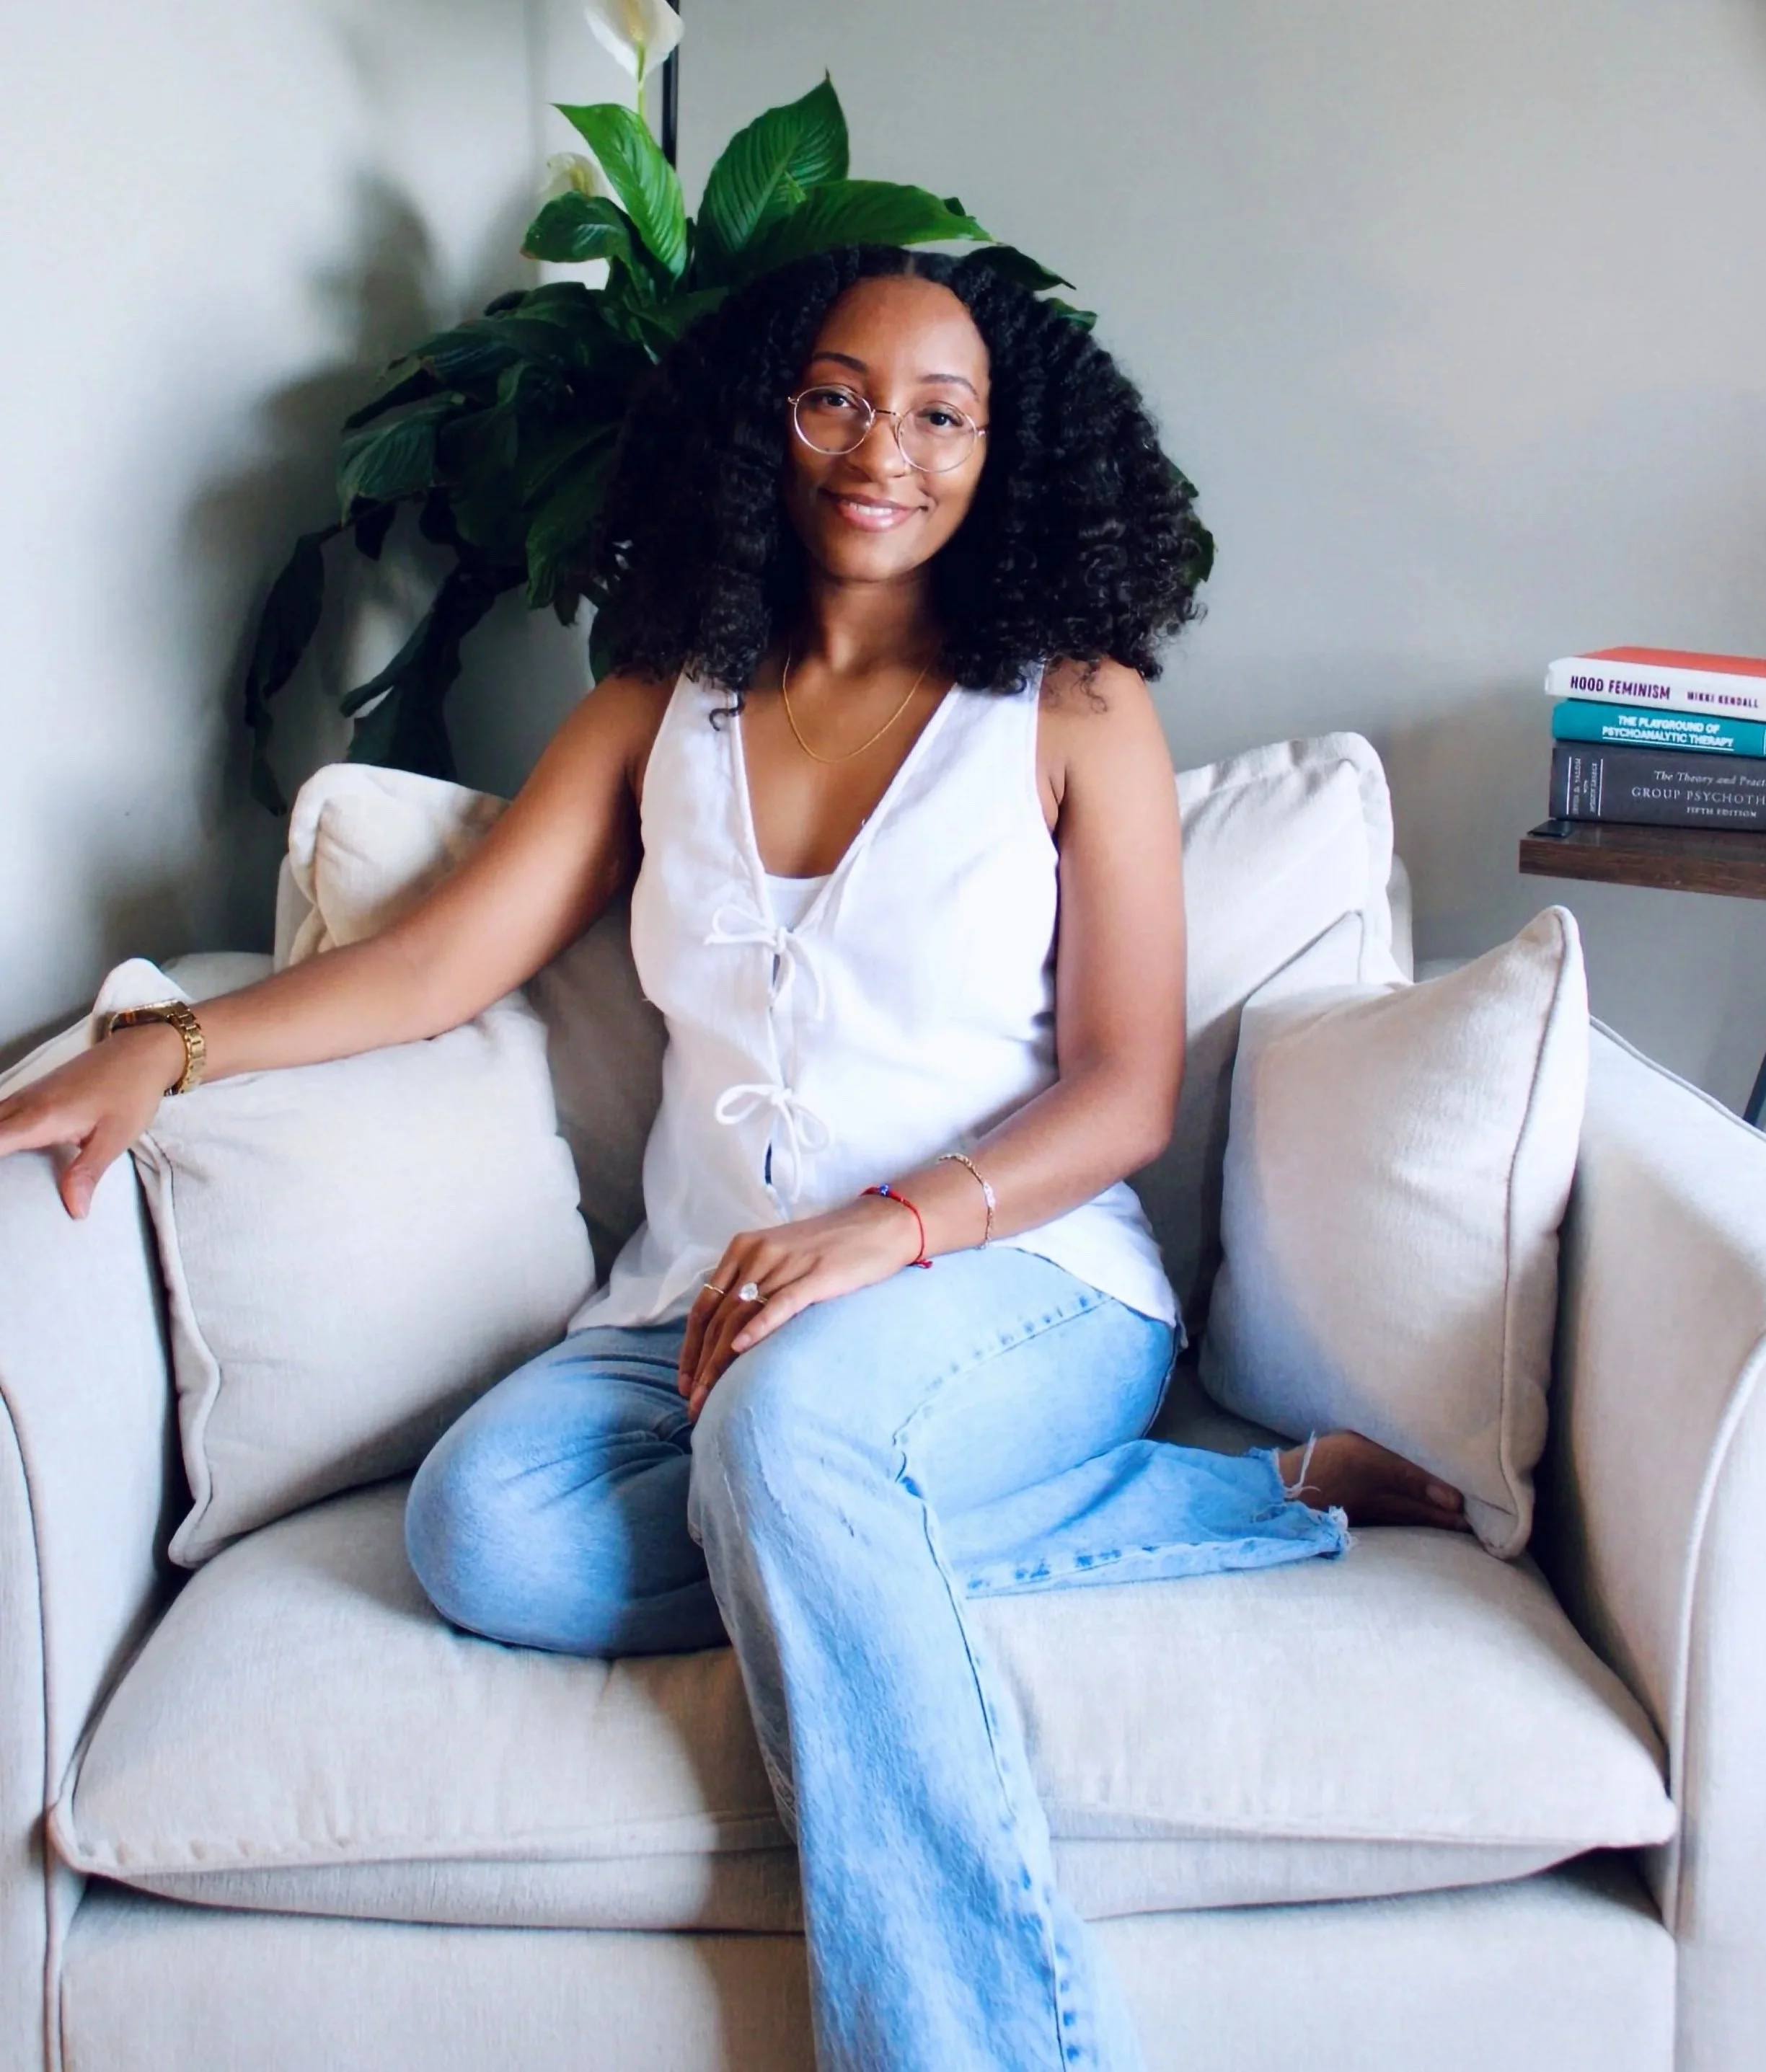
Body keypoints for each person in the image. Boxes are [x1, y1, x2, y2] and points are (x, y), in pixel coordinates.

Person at [0, 245, 1467, 2072]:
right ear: (764, 421)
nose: (885, 450)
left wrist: (881, 1232)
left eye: (945, 415)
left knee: (791, 1442)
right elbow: (442, 962)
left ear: (1009, 454)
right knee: (487, 1533)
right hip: (696, 1316)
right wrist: (174, 1042)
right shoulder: (654, 703)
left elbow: (1123, 1092)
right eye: (839, 396)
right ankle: (1248, 1497)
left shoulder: (1074, 705)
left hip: (1010, 1284)